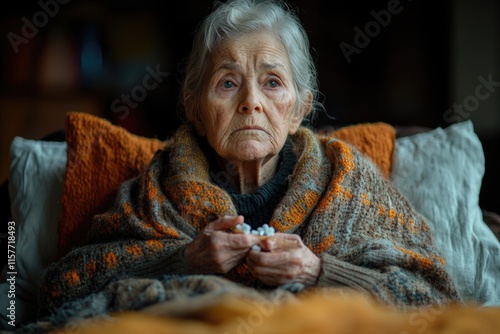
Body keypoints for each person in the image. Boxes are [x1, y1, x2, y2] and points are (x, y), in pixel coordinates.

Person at [39, 0, 459, 316]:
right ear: (195, 110)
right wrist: (183, 259)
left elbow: (436, 301)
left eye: (272, 82)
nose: (251, 103)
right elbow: (62, 288)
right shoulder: (154, 193)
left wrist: (317, 272)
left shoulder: (347, 182)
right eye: (227, 83)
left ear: (298, 110)